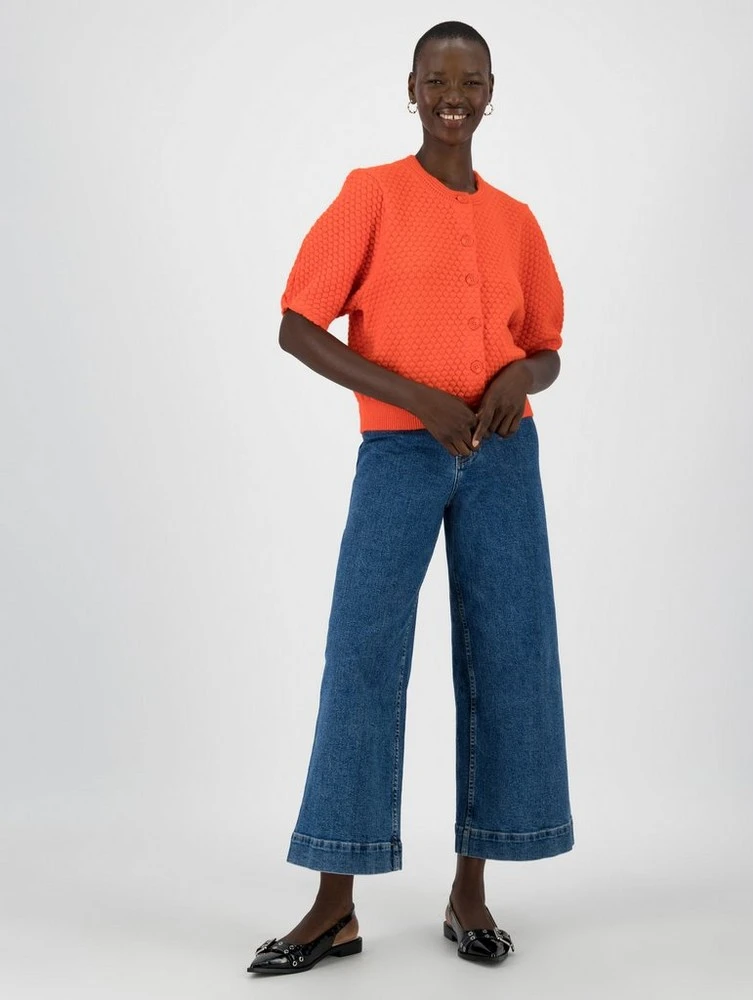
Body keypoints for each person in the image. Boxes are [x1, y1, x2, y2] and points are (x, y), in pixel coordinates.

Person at [247, 20, 574, 975]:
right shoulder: (373, 195)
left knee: (508, 659)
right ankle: (333, 905)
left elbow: (547, 347)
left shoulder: (517, 220)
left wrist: (521, 378)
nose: (453, 96)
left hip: (503, 458)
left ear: (491, 92)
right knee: (362, 656)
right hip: (399, 453)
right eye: (437, 80)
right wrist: (419, 400)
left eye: (470, 81)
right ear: (412, 88)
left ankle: (470, 892)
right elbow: (297, 326)